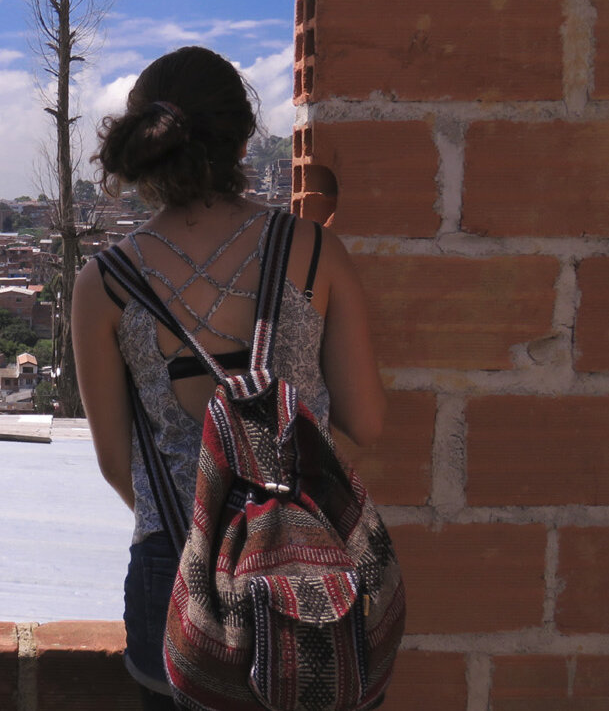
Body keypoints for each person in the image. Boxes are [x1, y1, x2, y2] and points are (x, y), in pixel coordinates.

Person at [71, 46, 386, 709]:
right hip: (309, 575)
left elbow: (116, 466)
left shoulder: (104, 285)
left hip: (173, 575)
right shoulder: (314, 251)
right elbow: (365, 423)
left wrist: (213, 533)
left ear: (146, 147)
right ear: (245, 139)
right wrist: (287, 507)